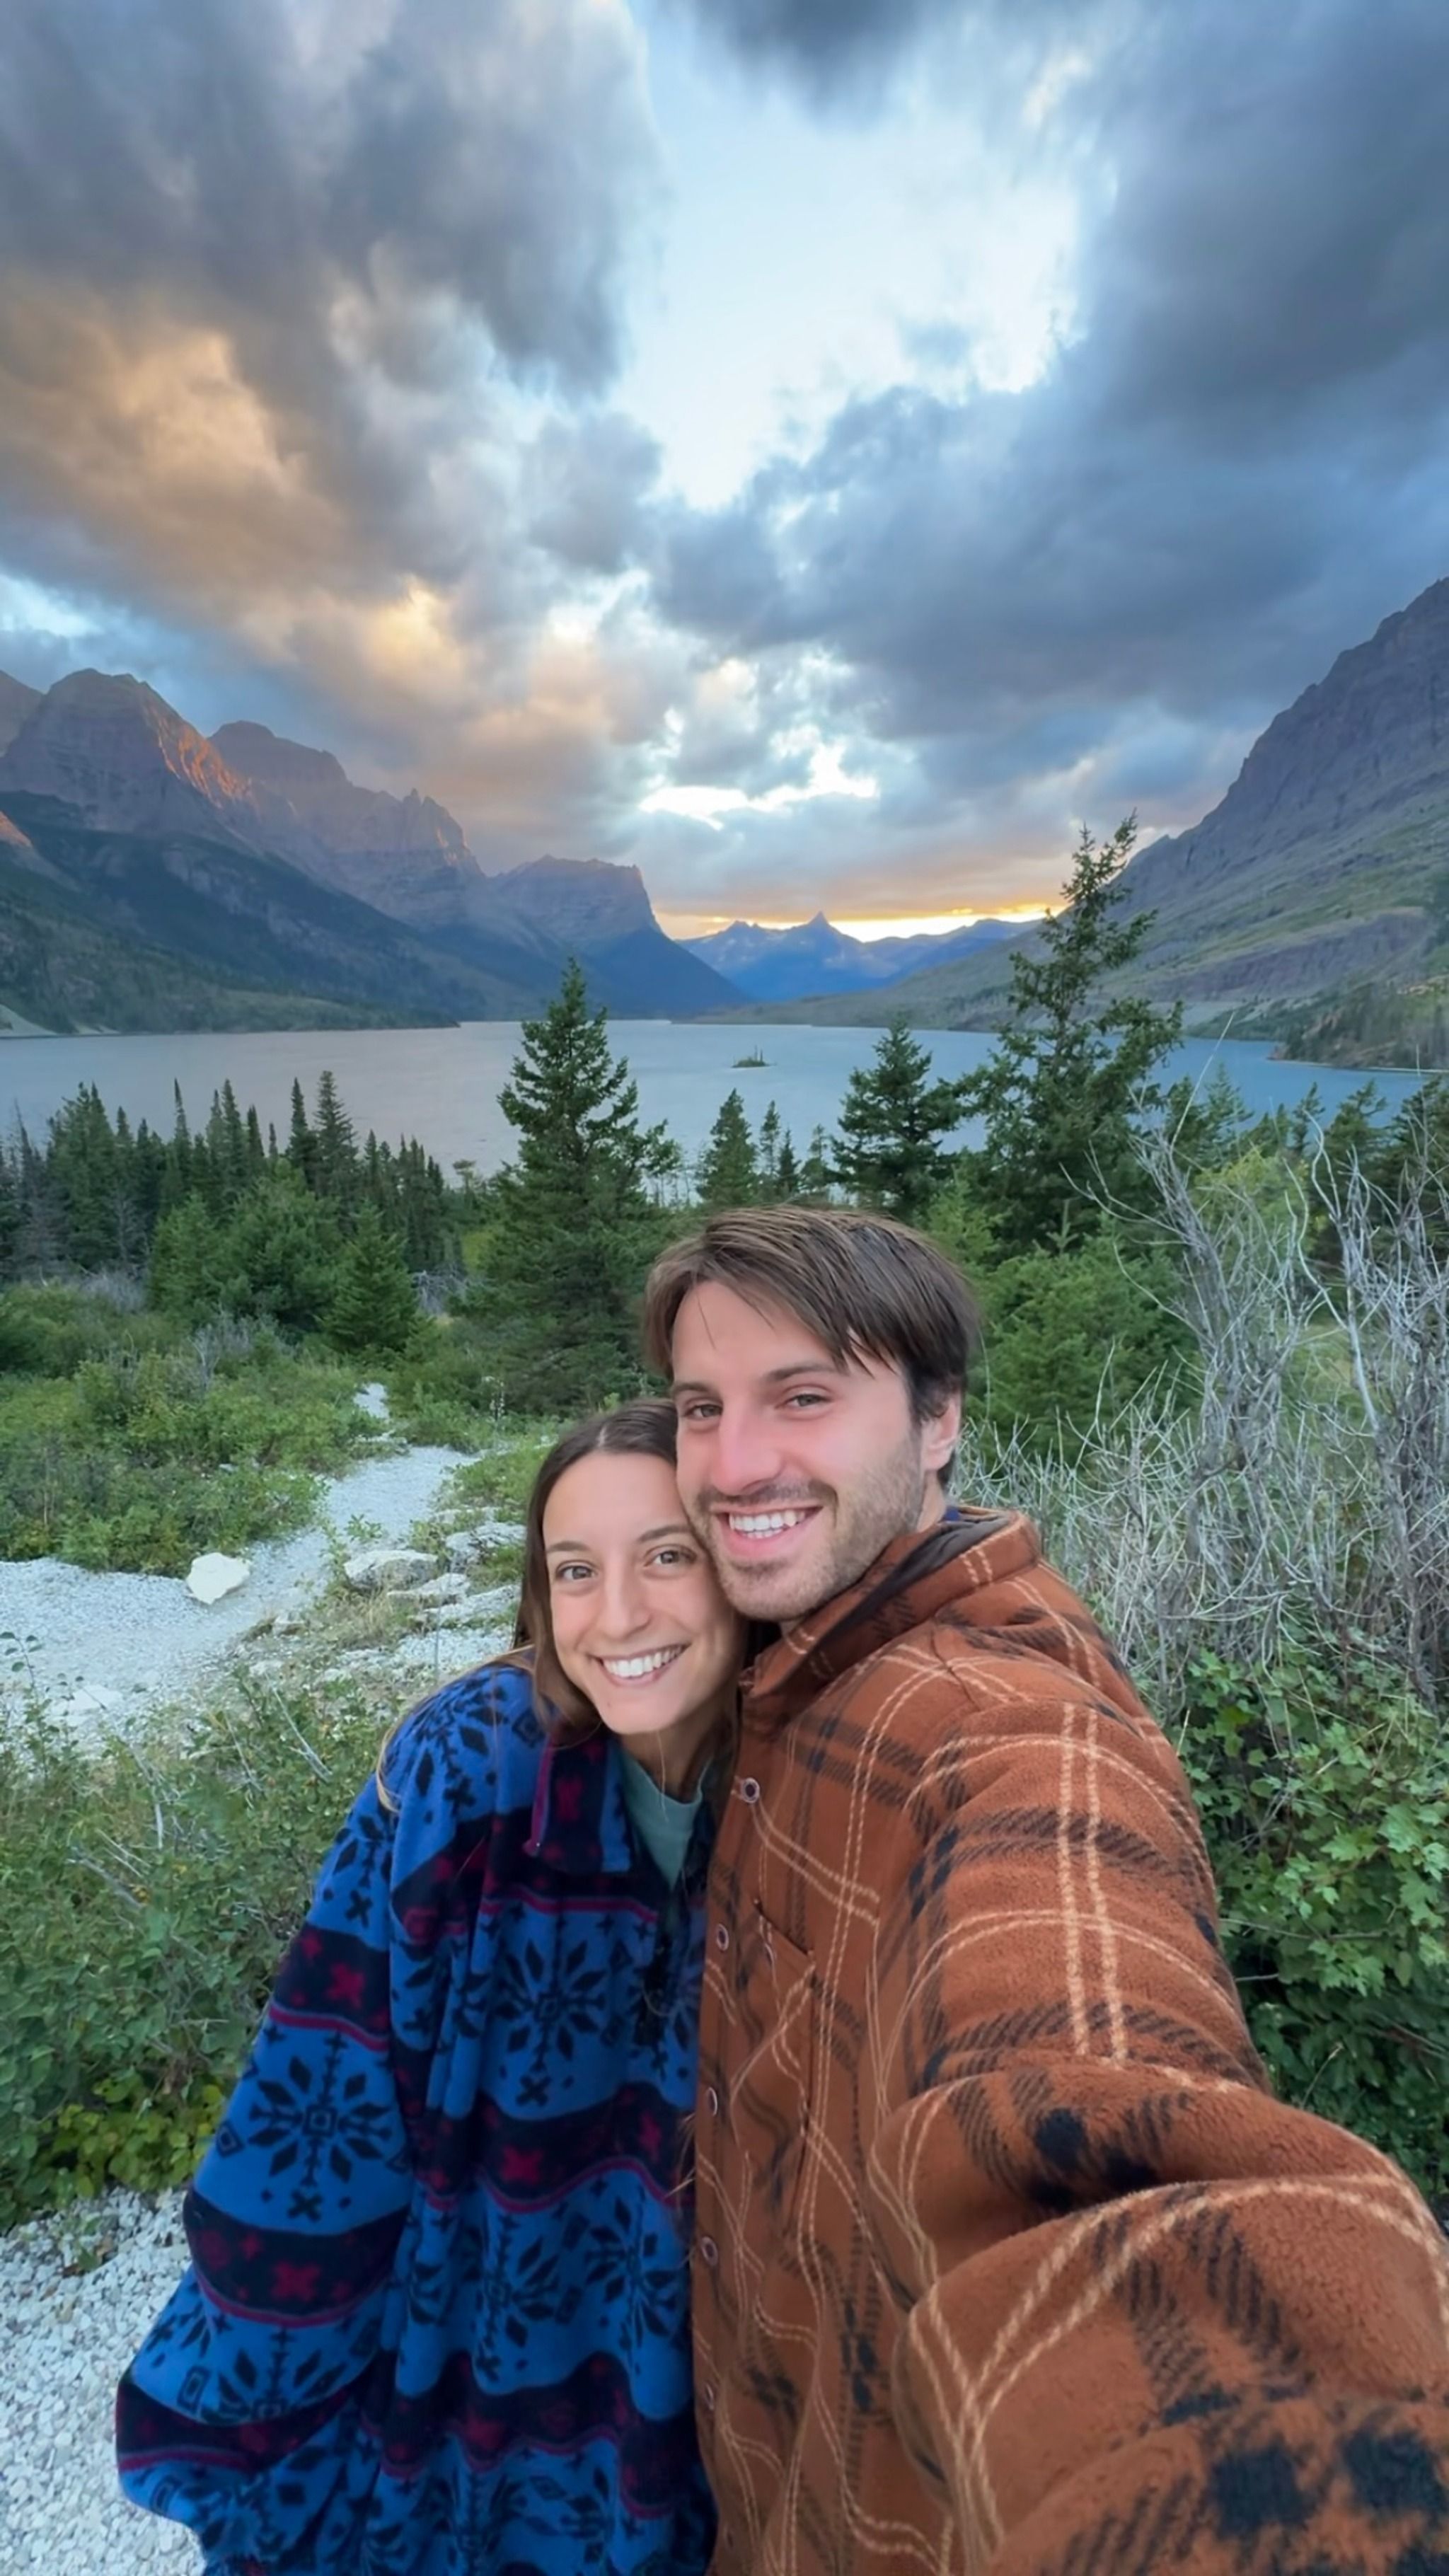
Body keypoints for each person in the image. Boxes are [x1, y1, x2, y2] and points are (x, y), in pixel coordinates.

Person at [642, 1203, 1449, 2576]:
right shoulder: (792, 1656)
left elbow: (1079, 2065)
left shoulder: (1005, 1730)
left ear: (939, 1420)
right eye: (700, 1407)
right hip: (769, 2480)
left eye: (803, 1397)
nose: (732, 1463)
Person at [116, 1400, 745, 2576]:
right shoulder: (467, 1773)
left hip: (703, 2399)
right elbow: (319, 2106)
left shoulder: (811, 1781)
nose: (619, 1614)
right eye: (576, 1569)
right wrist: (250, 2422)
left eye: (669, 1554)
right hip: (466, 2358)